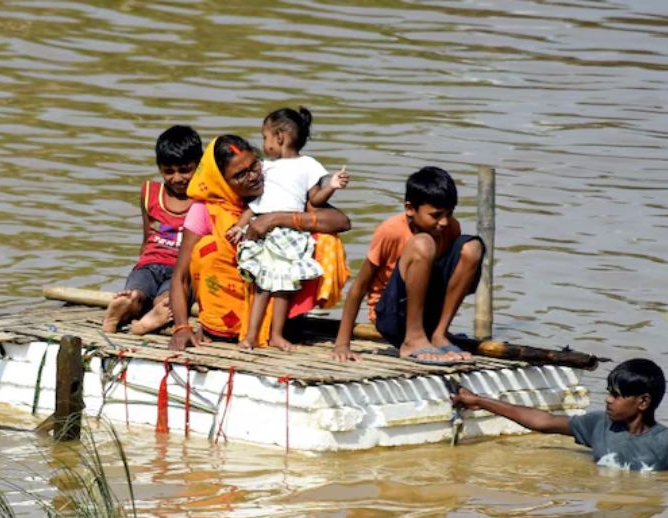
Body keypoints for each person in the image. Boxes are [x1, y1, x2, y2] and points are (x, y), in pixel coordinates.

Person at [168, 134, 352, 351]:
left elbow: (341, 222)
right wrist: (181, 327)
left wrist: (275, 218)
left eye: (255, 165)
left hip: (283, 318)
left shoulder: (280, 191)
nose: (254, 176)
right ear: (222, 181)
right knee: (207, 250)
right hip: (222, 328)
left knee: (327, 240)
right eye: (241, 175)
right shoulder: (206, 210)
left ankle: (276, 331)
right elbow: (180, 276)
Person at [451, 358, 668, 482]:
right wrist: (478, 401)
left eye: (617, 395)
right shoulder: (599, 426)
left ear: (643, 402)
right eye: (608, 392)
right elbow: (542, 422)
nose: (608, 399)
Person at [332, 166, 485, 365]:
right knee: (423, 243)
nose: (444, 222)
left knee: (472, 247)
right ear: (410, 209)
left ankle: (439, 334)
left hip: (428, 313)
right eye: (436, 215)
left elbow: (450, 274)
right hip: (393, 316)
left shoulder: (450, 227)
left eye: (449, 214)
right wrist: (342, 344)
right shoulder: (391, 231)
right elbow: (359, 287)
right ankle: (413, 338)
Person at [231, 107, 350, 350]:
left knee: (284, 287)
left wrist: (333, 186)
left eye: (265, 137)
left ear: (280, 137)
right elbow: (255, 206)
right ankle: (251, 337)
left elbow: (315, 199)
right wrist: (239, 227)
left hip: (291, 234)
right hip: (263, 232)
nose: (263, 143)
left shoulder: (309, 165)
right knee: (263, 286)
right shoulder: (264, 166)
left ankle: (276, 335)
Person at [103, 125, 203, 335]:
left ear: (199, 165)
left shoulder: (205, 199)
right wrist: (139, 264)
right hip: (150, 264)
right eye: (169, 171)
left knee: (160, 298)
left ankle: (142, 313)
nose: (177, 178)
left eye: (185, 170)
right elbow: (147, 237)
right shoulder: (150, 193)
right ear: (159, 168)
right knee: (139, 293)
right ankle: (127, 309)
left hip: (180, 271)